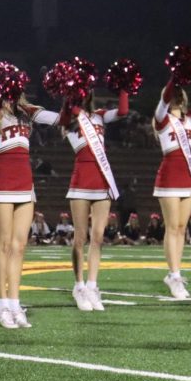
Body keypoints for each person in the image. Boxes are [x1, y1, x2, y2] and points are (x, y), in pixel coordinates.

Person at [0, 90, 60, 327]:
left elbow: (58, 119)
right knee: (4, 244)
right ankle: (1, 304)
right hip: (2, 180)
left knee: (20, 245)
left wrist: (72, 99)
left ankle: (15, 304)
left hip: (25, 182)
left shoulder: (26, 112)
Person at [63, 86, 129, 311]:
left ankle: (92, 286)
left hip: (102, 180)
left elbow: (123, 111)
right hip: (81, 180)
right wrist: (72, 90)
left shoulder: (100, 116)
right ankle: (79, 286)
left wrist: (125, 86)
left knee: (98, 237)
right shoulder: (69, 116)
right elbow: (68, 110)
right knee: (80, 237)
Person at [152, 74, 191, 298]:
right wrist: (175, 75)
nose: (177, 95)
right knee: (171, 227)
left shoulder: (190, 119)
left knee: (181, 228)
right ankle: (174, 275)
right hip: (169, 176)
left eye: (180, 92)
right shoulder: (162, 118)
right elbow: (165, 98)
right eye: (174, 93)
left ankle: (175, 274)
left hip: (187, 177)